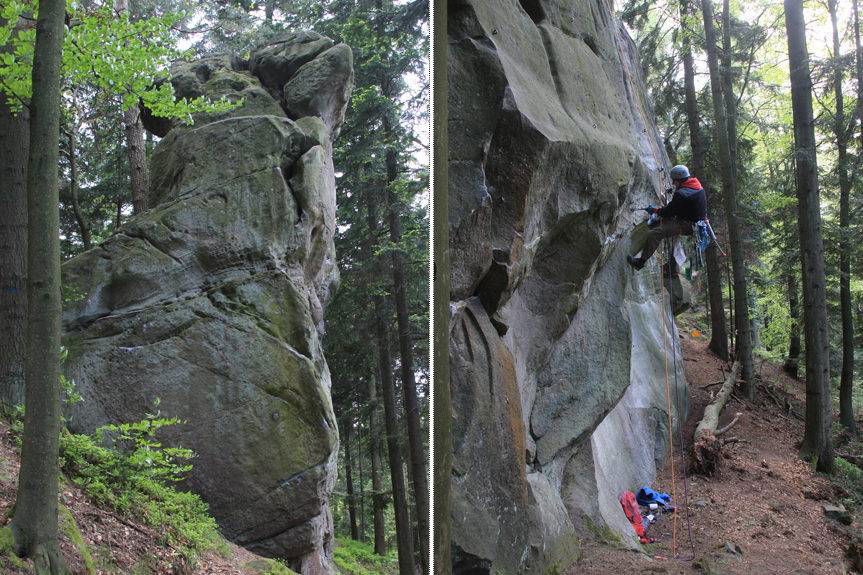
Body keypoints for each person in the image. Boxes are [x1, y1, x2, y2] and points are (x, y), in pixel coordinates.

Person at [627, 164, 707, 270]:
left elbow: (667, 213)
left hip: (687, 225)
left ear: (680, 180)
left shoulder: (681, 194)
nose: (673, 183)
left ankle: (640, 262)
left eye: (674, 181)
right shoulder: (697, 186)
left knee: (655, 234)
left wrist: (655, 210)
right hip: (693, 220)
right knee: (661, 222)